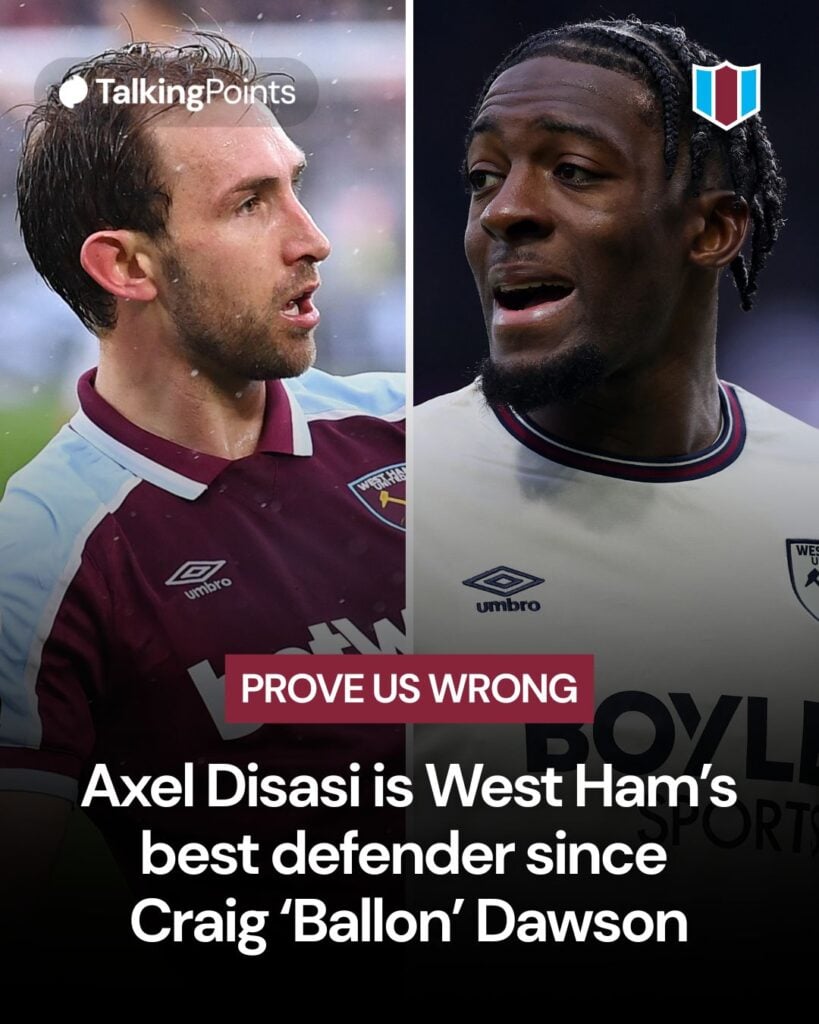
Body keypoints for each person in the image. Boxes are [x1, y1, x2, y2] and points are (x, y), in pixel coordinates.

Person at [413, 17, 818, 967]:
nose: (502, 213)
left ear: (713, 229)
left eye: (575, 171)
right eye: (482, 177)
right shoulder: (375, 503)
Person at [0, 36, 405, 977]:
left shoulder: (416, 435)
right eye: (250, 203)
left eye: (294, 184)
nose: (315, 238)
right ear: (126, 267)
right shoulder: (44, 551)